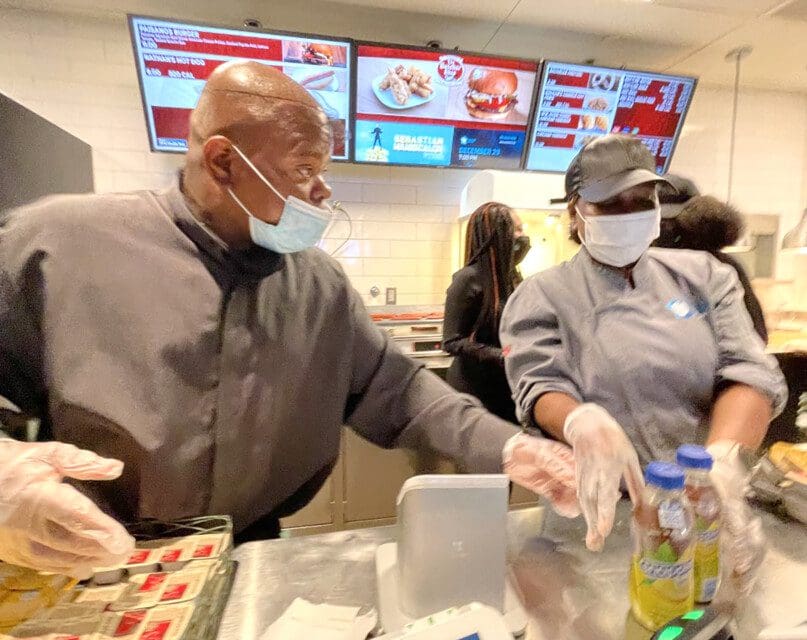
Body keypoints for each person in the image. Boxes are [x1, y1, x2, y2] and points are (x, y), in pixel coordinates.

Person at [0, 61, 580, 578]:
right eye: (305, 168)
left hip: (247, 556)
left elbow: (402, 391)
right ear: (224, 161)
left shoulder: (318, 284)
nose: (323, 190)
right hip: (84, 560)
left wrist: (511, 449)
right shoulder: (56, 245)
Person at [500, 135, 786, 591]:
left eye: (641, 199)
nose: (629, 213)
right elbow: (539, 384)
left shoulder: (705, 277)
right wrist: (580, 421)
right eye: (611, 204)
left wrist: (722, 462)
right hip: (600, 514)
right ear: (576, 213)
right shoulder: (543, 294)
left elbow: (748, 370)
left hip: (708, 507)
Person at [655, 175, 768, 343]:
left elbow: (753, 335)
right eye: (661, 222)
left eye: (671, 222)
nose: (666, 229)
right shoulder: (640, 267)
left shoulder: (720, 268)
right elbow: (758, 334)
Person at [443, 202, 528, 423]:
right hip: (474, 390)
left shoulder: (513, 279)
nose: (523, 236)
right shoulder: (467, 279)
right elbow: (451, 341)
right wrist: (499, 354)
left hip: (505, 389)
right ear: (495, 235)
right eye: (516, 230)